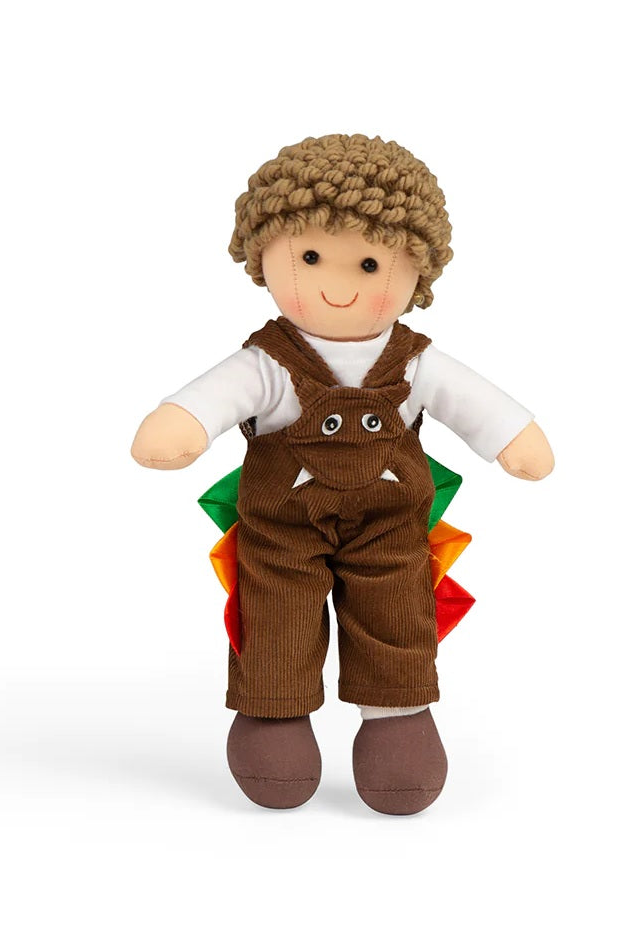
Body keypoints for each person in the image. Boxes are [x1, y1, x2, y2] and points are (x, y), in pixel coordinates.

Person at [131, 134, 554, 814]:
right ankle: (274, 718)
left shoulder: (415, 362)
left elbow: (481, 409)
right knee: (275, 619)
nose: (338, 284)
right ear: (263, 253)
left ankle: (398, 722)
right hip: (282, 535)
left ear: (416, 268)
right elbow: (203, 406)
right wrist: (181, 426)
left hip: (390, 532)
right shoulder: (268, 363)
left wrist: (512, 438)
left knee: (398, 618)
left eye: (369, 263)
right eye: (309, 257)